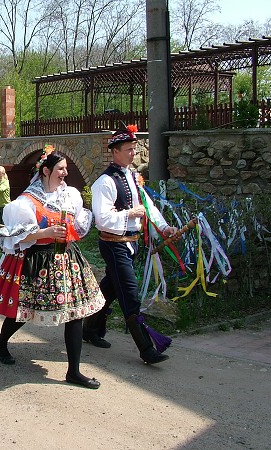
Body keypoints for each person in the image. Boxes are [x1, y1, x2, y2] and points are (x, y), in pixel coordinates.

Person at [0, 147, 105, 389]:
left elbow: (78, 225)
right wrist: (46, 232)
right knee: (24, 311)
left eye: (66, 168)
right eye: (60, 168)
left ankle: (74, 371)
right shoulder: (26, 201)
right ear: (46, 171)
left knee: (75, 312)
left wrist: (70, 231)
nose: (65, 173)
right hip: (39, 261)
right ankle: (1, 341)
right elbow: (16, 237)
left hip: (68, 259)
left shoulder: (70, 195)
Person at [83, 124, 177, 364]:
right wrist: (129, 214)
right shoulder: (104, 183)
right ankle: (147, 348)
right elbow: (102, 220)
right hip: (114, 245)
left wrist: (164, 227)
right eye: (128, 149)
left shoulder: (133, 177)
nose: (133, 153)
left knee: (109, 290)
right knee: (129, 294)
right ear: (115, 151)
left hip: (131, 244)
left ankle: (90, 329)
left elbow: (147, 207)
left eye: (134, 149)